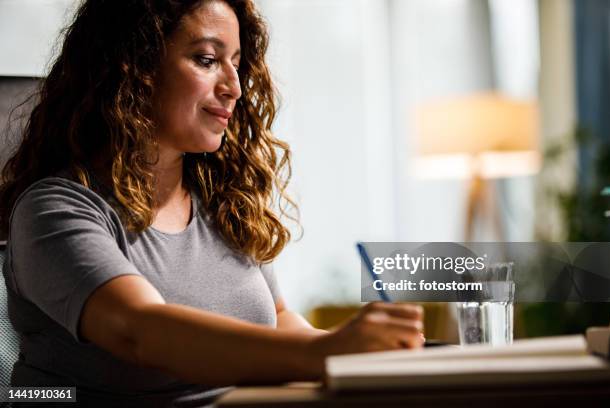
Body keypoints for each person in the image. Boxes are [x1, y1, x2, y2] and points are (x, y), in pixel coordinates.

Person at [0, 0, 424, 406]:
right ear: (135, 66)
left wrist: (362, 354)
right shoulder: (54, 209)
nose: (235, 88)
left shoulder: (224, 201)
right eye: (207, 60)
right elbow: (140, 331)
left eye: (236, 65)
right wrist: (326, 353)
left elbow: (277, 320)